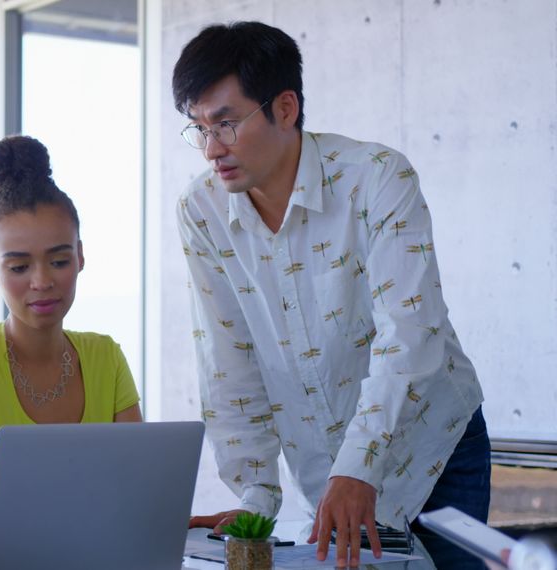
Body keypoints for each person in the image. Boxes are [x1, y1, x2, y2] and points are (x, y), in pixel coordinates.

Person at [172, 21, 489, 568]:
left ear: (286, 107)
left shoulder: (378, 178)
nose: (210, 149)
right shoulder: (201, 211)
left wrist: (360, 467)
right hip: (326, 480)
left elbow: (411, 335)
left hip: (432, 453)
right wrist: (256, 495)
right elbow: (227, 357)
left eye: (225, 124)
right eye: (197, 128)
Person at [0, 135, 142, 547]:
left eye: (59, 261)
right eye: (20, 266)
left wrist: (186, 521)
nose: (42, 282)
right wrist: (65, 539)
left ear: (80, 256)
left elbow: (135, 493)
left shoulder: (105, 356)